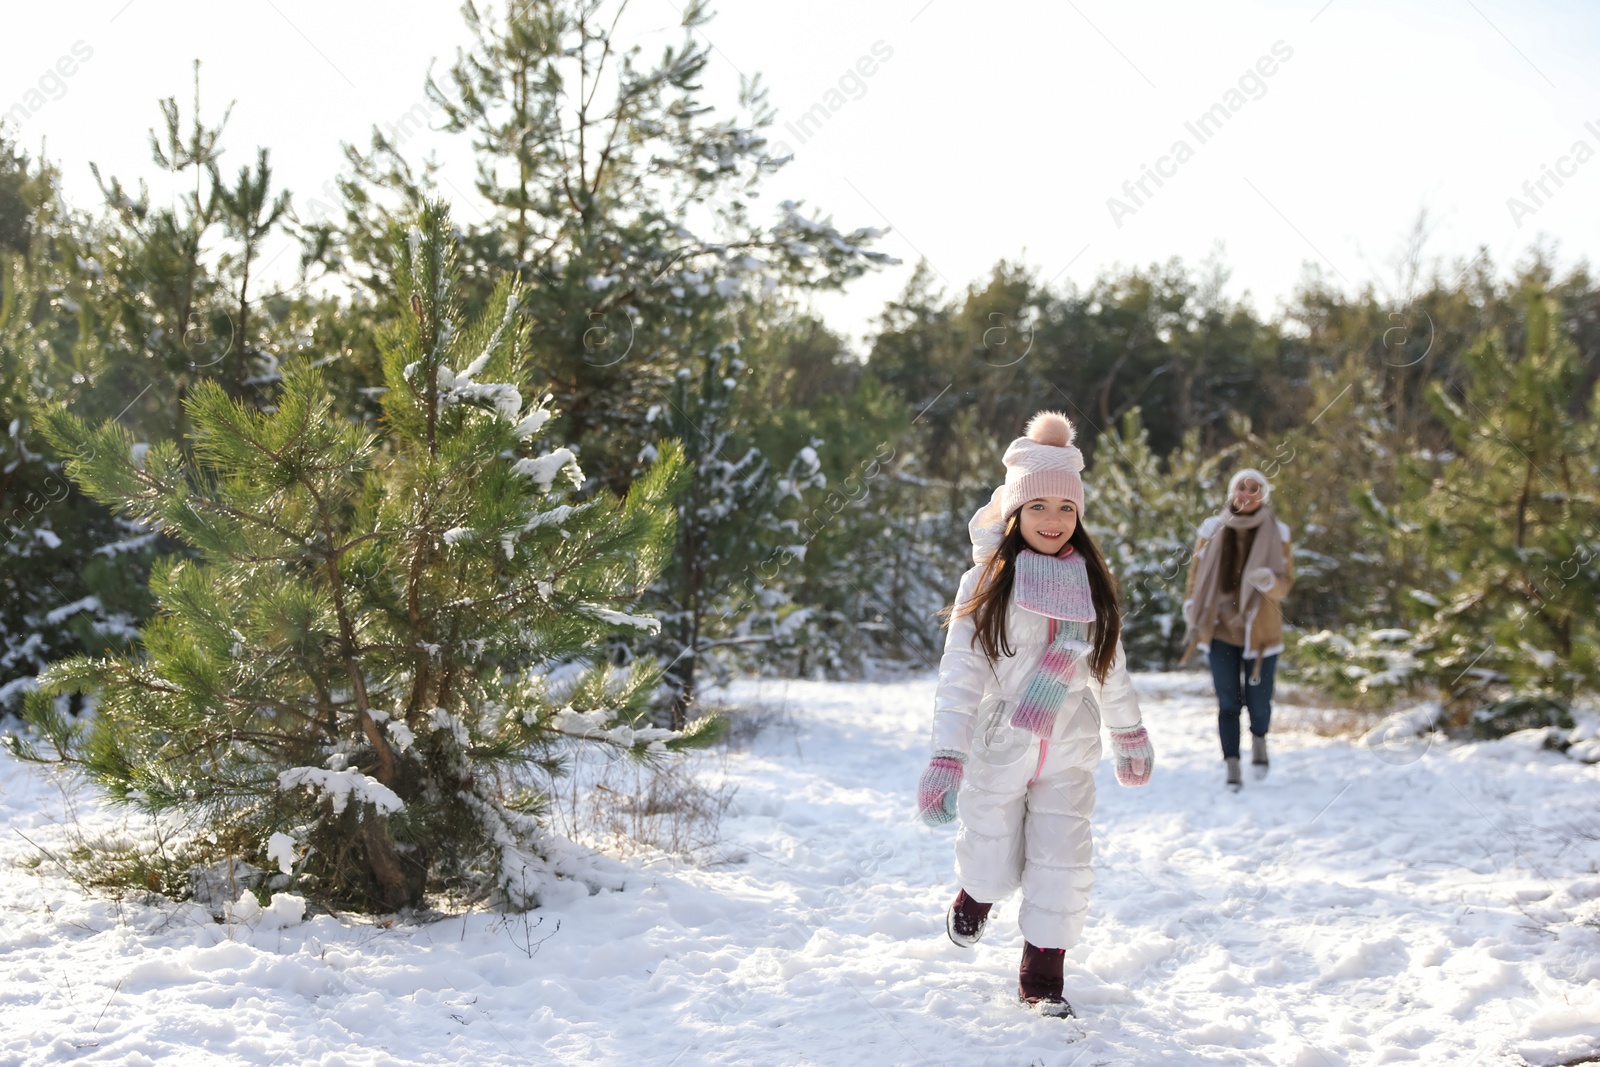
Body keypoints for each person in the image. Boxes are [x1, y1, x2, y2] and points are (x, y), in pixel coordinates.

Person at [916, 410, 1153, 1018]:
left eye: (1066, 509)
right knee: (991, 846)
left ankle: (1043, 975)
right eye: (1039, 507)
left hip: (1069, 748)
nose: (1054, 521)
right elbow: (960, 675)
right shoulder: (988, 581)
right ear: (1015, 512)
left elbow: (1109, 666)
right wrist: (948, 756)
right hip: (1001, 744)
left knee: (1064, 859)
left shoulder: (1089, 584)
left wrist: (1127, 730)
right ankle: (975, 895)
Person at [1180, 468, 1294, 792]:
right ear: (1232, 491)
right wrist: (1192, 606)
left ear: (1263, 494)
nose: (1247, 493)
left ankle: (1259, 738)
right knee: (1228, 702)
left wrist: (1269, 583)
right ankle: (1232, 764)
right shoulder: (1212, 529)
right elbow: (1196, 575)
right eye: (1242, 487)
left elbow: (1286, 583)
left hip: (1262, 633)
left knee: (1259, 702)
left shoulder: (1279, 532)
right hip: (1219, 630)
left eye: (1254, 488)